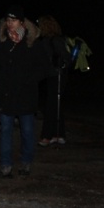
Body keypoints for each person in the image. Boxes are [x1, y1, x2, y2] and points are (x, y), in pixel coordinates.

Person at [0, 5, 52, 178]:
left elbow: (44, 67)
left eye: (14, 20)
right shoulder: (2, 42)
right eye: (8, 20)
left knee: (27, 130)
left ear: (22, 22)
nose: (10, 23)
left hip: (26, 94)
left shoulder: (33, 42)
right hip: (6, 93)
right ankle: (5, 165)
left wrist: (27, 79)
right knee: (5, 130)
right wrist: (3, 78)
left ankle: (26, 162)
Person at [36, 15, 72, 147]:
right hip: (52, 76)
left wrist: (59, 66)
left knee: (52, 105)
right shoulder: (47, 40)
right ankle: (58, 134)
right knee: (56, 105)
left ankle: (48, 135)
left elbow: (66, 58)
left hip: (57, 76)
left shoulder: (54, 40)